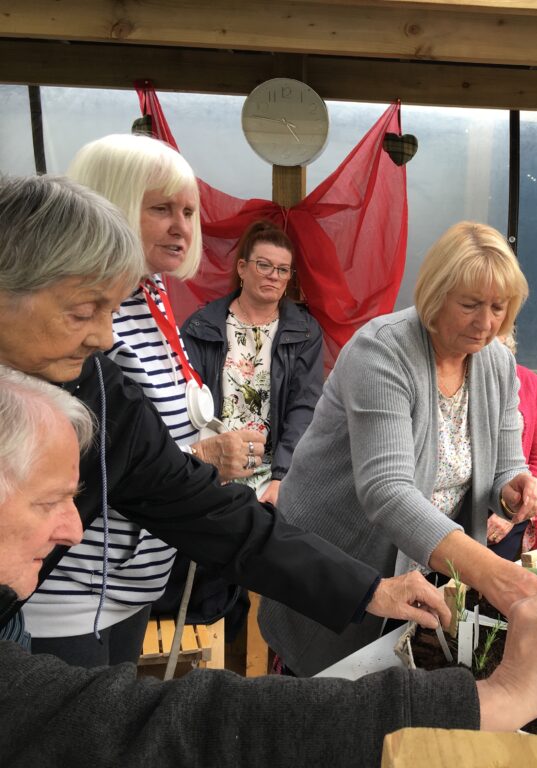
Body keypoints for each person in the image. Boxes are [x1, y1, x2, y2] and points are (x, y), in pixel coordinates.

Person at [0, 364, 537, 766]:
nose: (76, 528)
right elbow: (185, 731)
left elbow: (219, 517)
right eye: (50, 500)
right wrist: (493, 699)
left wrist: (368, 586)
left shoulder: (94, 380)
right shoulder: (383, 355)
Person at [0, 174, 444, 663]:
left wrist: (366, 590)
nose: (105, 339)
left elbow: (205, 508)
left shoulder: (100, 390)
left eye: (113, 311)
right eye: (84, 312)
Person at [20, 134, 271, 665]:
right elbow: (80, 452)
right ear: (109, 203)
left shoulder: (153, 297)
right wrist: (201, 459)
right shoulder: (81, 314)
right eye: (160, 209)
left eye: (188, 210)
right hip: (69, 585)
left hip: (132, 581)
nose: (182, 227)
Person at [260, 221, 537, 676]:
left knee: (389, 701)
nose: (486, 322)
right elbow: (388, 490)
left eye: (498, 307)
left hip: (421, 564)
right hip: (337, 554)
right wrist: (493, 573)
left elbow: (506, 461)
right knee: (321, 698)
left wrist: (512, 486)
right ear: (436, 295)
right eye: (471, 305)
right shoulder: (383, 351)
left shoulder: (497, 362)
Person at [182, 219, 324, 506]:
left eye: (282, 270)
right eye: (264, 265)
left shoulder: (305, 333)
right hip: (214, 466)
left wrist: (282, 476)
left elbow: (304, 408)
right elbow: (185, 404)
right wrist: (201, 464)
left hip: (271, 475)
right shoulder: (201, 327)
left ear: (288, 279)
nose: (273, 275)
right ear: (242, 269)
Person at [487, 328, 537, 559]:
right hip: (459, 507)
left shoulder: (531, 383)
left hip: (510, 502)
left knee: (501, 585)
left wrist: (507, 515)